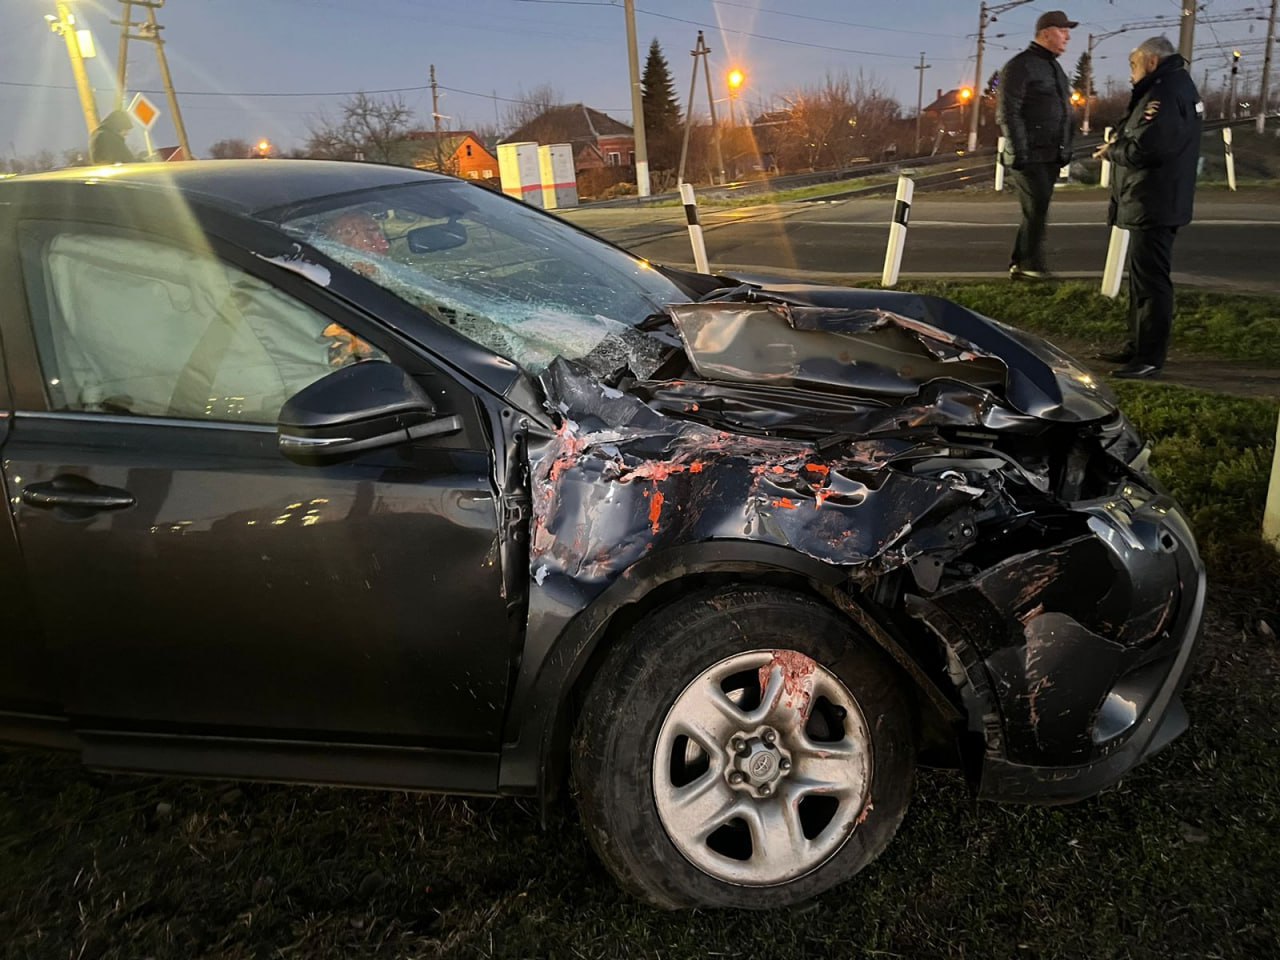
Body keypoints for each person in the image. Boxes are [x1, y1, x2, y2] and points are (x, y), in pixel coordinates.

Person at [1092, 37, 1203, 380]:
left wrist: (1114, 152)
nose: (1130, 73)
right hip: (1153, 198)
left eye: (1133, 64)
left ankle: (1150, 356)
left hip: (1154, 199)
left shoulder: (1165, 93)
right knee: (1142, 280)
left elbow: (1149, 147)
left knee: (1152, 282)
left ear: (1151, 61)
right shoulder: (1171, 86)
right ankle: (1137, 346)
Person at [996, 9, 1077, 281]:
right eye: (1062, 30)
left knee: (1037, 208)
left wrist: (1065, 148)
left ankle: (1021, 262)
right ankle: (1030, 264)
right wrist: (1020, 150)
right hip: (1030, 154)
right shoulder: (1021, 65)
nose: (1067, 36)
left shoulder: (1053, 67)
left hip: (1050, 153)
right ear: (1045, 33)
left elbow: (1064, 111)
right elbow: (1009, 110)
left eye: (1068, 31)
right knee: (1037, 207)